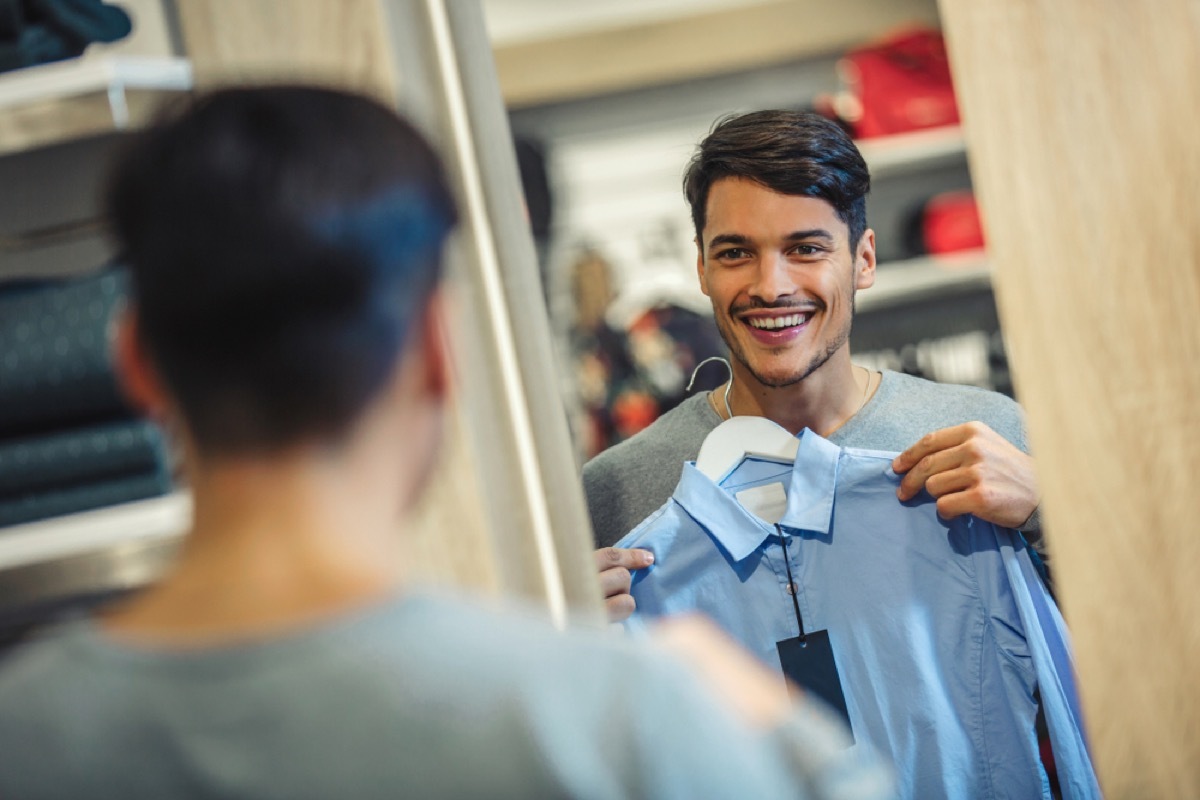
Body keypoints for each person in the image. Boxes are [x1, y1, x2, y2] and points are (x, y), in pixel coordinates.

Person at [0, 87, 894, 800]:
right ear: (436, 348)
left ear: (134, 362)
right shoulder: (611, 719)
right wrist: (789, 751)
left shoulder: (26, 737)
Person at [587, 110, 1041, 615]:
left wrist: (1049, 516)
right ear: (701, 267)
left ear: (863, 260)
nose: (771, 287)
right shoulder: (613, 494)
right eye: (736, 253)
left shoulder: (991, 438)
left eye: (805, 249)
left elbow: (1111, 651)